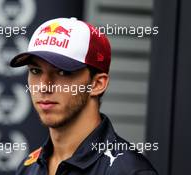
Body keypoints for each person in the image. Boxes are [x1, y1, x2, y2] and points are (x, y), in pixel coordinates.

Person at [10, 17, 158, 175]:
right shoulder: (28, 168)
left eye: (62, 72)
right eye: (35, 71)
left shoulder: (129, 171)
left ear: (97, 84)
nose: (43, 86)